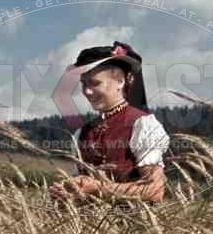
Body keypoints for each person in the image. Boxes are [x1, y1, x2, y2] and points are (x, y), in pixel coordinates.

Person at [49, 41, 170, 203]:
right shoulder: (82, 133)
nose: (87, 91)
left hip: (133, 225)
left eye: (95, 83)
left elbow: (154, 191)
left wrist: (98, 188)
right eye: (84, 84)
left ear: (120, 81)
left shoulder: (142, 124)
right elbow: (80, 191)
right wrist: (67, 193)